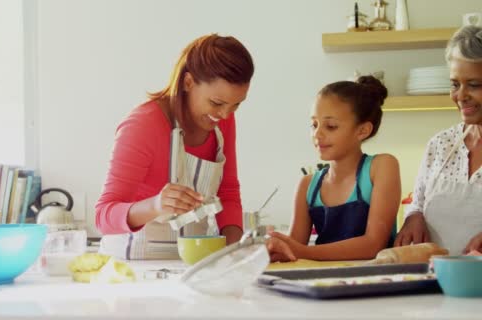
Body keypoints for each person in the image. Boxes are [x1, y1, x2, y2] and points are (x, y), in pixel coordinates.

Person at [95, 34, 254, 260]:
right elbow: (103, 216)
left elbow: (227, 193)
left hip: (194, 264)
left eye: (236, 105)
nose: (225, 114)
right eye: (216, 103)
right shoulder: (143, 125)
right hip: (134, 265)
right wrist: (156, 205)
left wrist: (232, 253)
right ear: (188, 82)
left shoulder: (222, 120)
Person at [266, 76, 401, 262]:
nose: (317, 134)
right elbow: (292, 251)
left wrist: (302, 251)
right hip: (324, 284)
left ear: (362, 130)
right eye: (314, 124)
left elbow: (373, 245)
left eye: (331, 126)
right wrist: (275, 248)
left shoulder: (382, 166)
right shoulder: (308, 185)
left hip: (376, 282)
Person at [394, 26, 482, 254]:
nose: (460, 96)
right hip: (437, 281)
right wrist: (414, 217)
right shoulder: (441, 145)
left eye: (474, 85)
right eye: (455, 84)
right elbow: (418, 202)